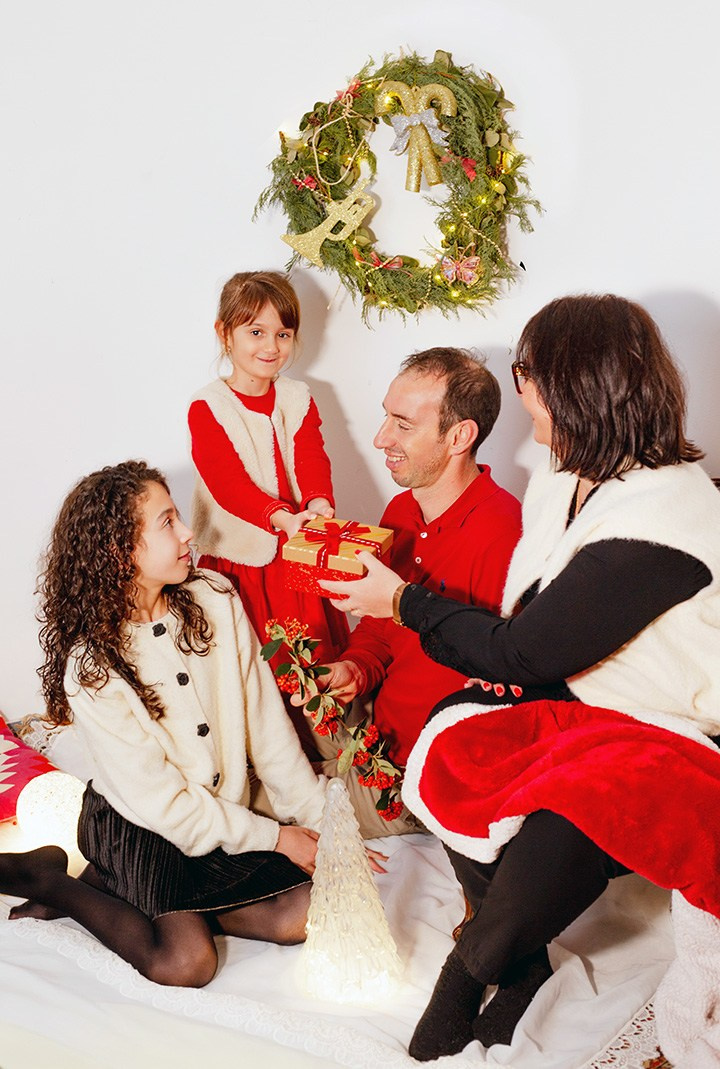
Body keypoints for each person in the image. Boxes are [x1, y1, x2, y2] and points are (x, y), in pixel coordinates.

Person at [321, 295, 720, 1059]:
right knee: (455, 741)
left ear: (577, 386)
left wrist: (402, 601)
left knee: (576, 800)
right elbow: (532, 628)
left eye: (530, 374)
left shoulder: (663, 519)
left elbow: (523, 651)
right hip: (589, 697)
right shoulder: (568, 478)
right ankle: (523, 959)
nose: (521, 389)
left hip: (678, 724)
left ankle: (468, 973)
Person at [0, 460, 355, 987]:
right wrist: (277, 839)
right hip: (139, 824)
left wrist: (323, 829)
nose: (188, 532)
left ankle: (120, 888)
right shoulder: (93, 666)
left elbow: (268, 729)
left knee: (303, 914)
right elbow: (161, 803)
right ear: (120, 549)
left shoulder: (216, 598)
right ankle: (53, 882)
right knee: (185, 962)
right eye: (168, 522)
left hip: (216, 818)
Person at [308, 348, 521, 838]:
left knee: (256, 804)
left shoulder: (503, 534)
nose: (381, 438)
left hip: (416, 779)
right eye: (386, 416)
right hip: (371, 731)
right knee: (248, 748)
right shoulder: (402, 512)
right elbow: (381, 627)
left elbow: (499, 678)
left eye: (403, 425)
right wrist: (355, 667)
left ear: (459, 437)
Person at [188, 271, 350, 758]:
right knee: (255, 659)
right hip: (242, 558)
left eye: (283, 333)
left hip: (295, 549)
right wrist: (278, 516)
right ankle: (264, 753)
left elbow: (312, 454)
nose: (271, 346)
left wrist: (318, 502)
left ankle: (322, 748)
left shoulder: (298, 396)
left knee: (311, 648)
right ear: (225, 333)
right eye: (255, 332)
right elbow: (228, 483)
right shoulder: (209, 407)